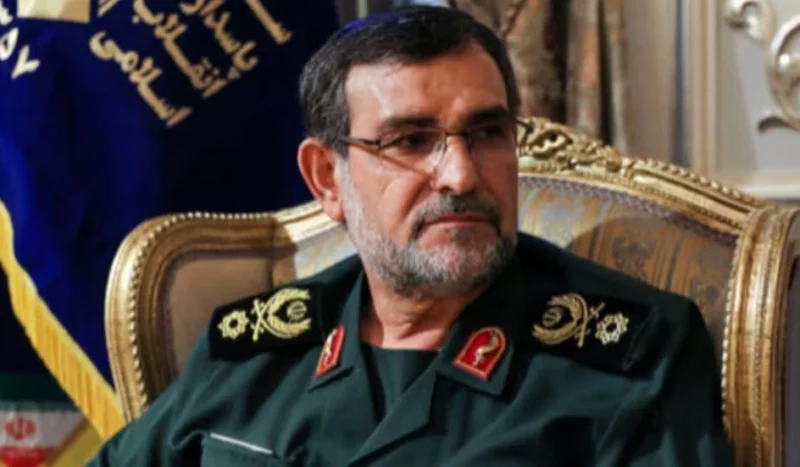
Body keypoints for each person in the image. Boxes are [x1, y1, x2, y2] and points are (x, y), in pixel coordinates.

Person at [88, 5, 733, 466]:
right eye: (411, 140)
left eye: (487, 133)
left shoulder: (628, 355)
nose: (461, 174)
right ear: (327, 178)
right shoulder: (254, 350)